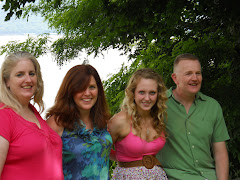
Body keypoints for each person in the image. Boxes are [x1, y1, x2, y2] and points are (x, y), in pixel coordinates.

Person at [157, 53, 230, 180]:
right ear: (175, 78)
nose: (195, 78)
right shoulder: (158, 104)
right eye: (188, 73)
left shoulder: (213, 106)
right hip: (172, 177)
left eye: (198, 73)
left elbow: (220, 153)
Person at [0, 51, 64, 180]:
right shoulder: (4, 116)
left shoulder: (32, 111)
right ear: (7, 81)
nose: (28, 80)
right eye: (20, 75)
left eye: (32, 74)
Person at [46, 64, 112, 180]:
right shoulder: (56, 123)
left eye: (92, 87)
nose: (87, 93)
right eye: (81, 88)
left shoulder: (103, 122)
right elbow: (43, 166)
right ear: (70, 91)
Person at [108, 68, 168, 179]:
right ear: (133, 93)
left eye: (152, 93)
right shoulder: (119, 120)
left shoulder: (158, 118)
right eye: (141, 92)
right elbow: (100, 150)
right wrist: (125, 160)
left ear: (158, 94)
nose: (147, 98)